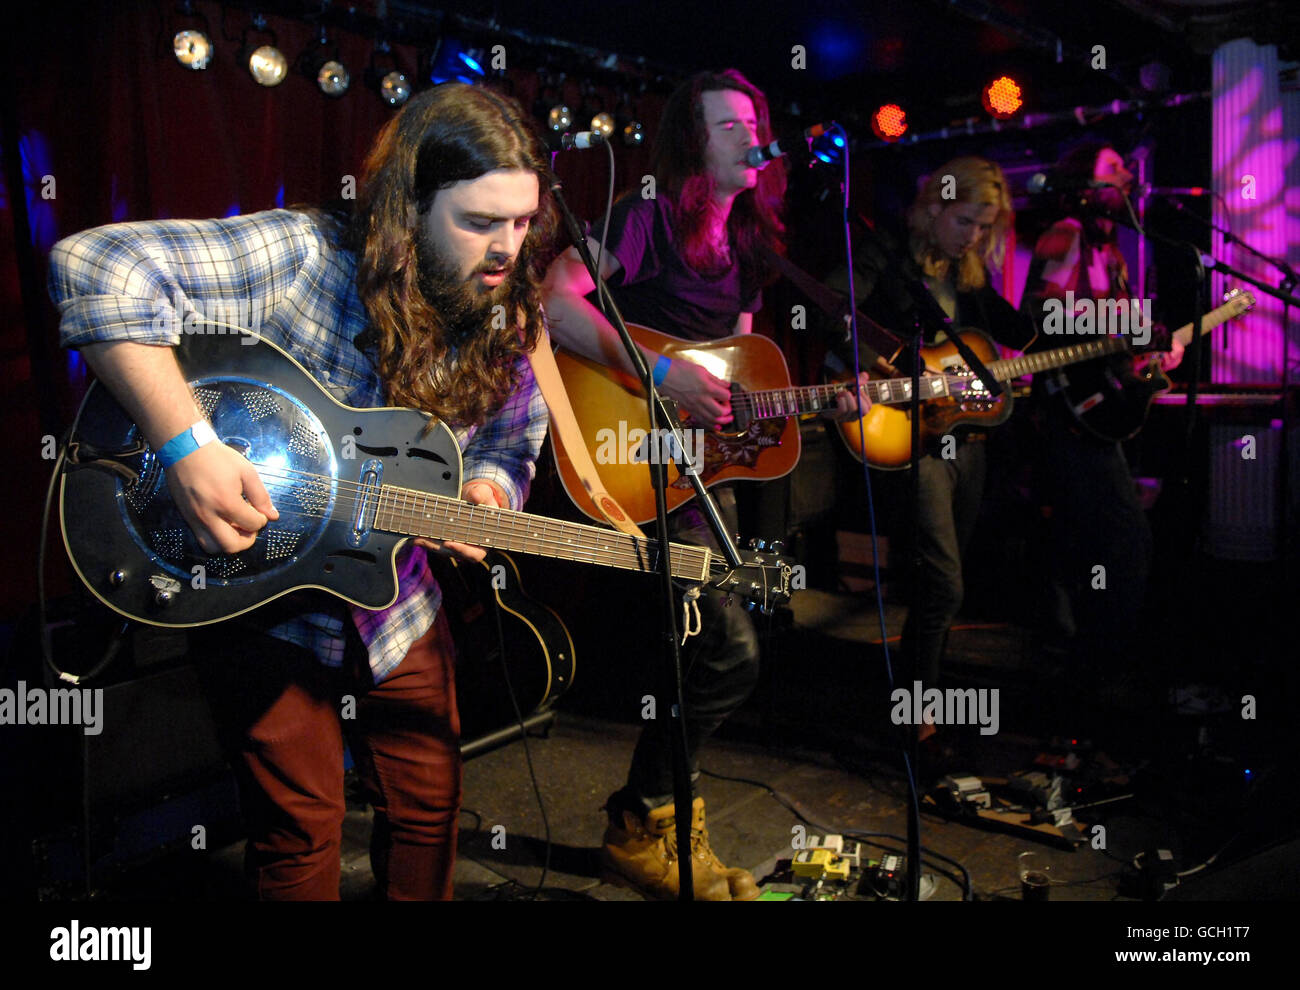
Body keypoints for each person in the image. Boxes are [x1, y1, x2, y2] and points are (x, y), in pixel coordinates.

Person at [47, 83, 555, 900]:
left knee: (430, 810)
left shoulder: (501, 305)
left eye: (524, 222)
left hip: (400, 600)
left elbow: (511, 433)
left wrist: (491, 493)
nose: (507, 249)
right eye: (479, 222)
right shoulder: (307, 257)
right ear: (409, 207)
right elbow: (92, 263)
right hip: (264, 606)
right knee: (300, 838)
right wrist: (187, 443)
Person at [544, 68, 867, 900]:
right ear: (693, 142)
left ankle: (657, 817)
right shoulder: (647, 219)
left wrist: (819, 405)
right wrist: (661, 375)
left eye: (751, 121)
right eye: (726, 124)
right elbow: (553, 302)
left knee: (710, 648)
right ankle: (643, 821)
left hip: (696, 471)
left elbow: (739, 378)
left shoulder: (751, 251)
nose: (746, 135)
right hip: (630, 449)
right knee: (726, 649)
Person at [826, 157, 1036, 758]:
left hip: (963, 444)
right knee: (944, 582)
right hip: (904, 434)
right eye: (965, 220)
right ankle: (918, 721)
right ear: (934, 206)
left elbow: (1024, 332)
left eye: (983, 227)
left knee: (936, 586)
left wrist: (1109, 338)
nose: (973, 236)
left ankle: (916, 709)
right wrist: (870, 357)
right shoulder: (885, 256)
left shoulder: (964, 277)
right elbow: (834, 309)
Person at [1020, 142, 1182, 720]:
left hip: (1100, 414)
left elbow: (1106, 339)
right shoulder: (1065, 232)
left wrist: (1146, 360)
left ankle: (1080, 675)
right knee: (1123, 540)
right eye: (1114, 170)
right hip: (1069, 417)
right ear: (1083, 184)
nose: (1129, 178)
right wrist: (1130, 323)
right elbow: (1041, 313)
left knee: (1090, 544)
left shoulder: (1112, 249)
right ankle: (1096, 675)